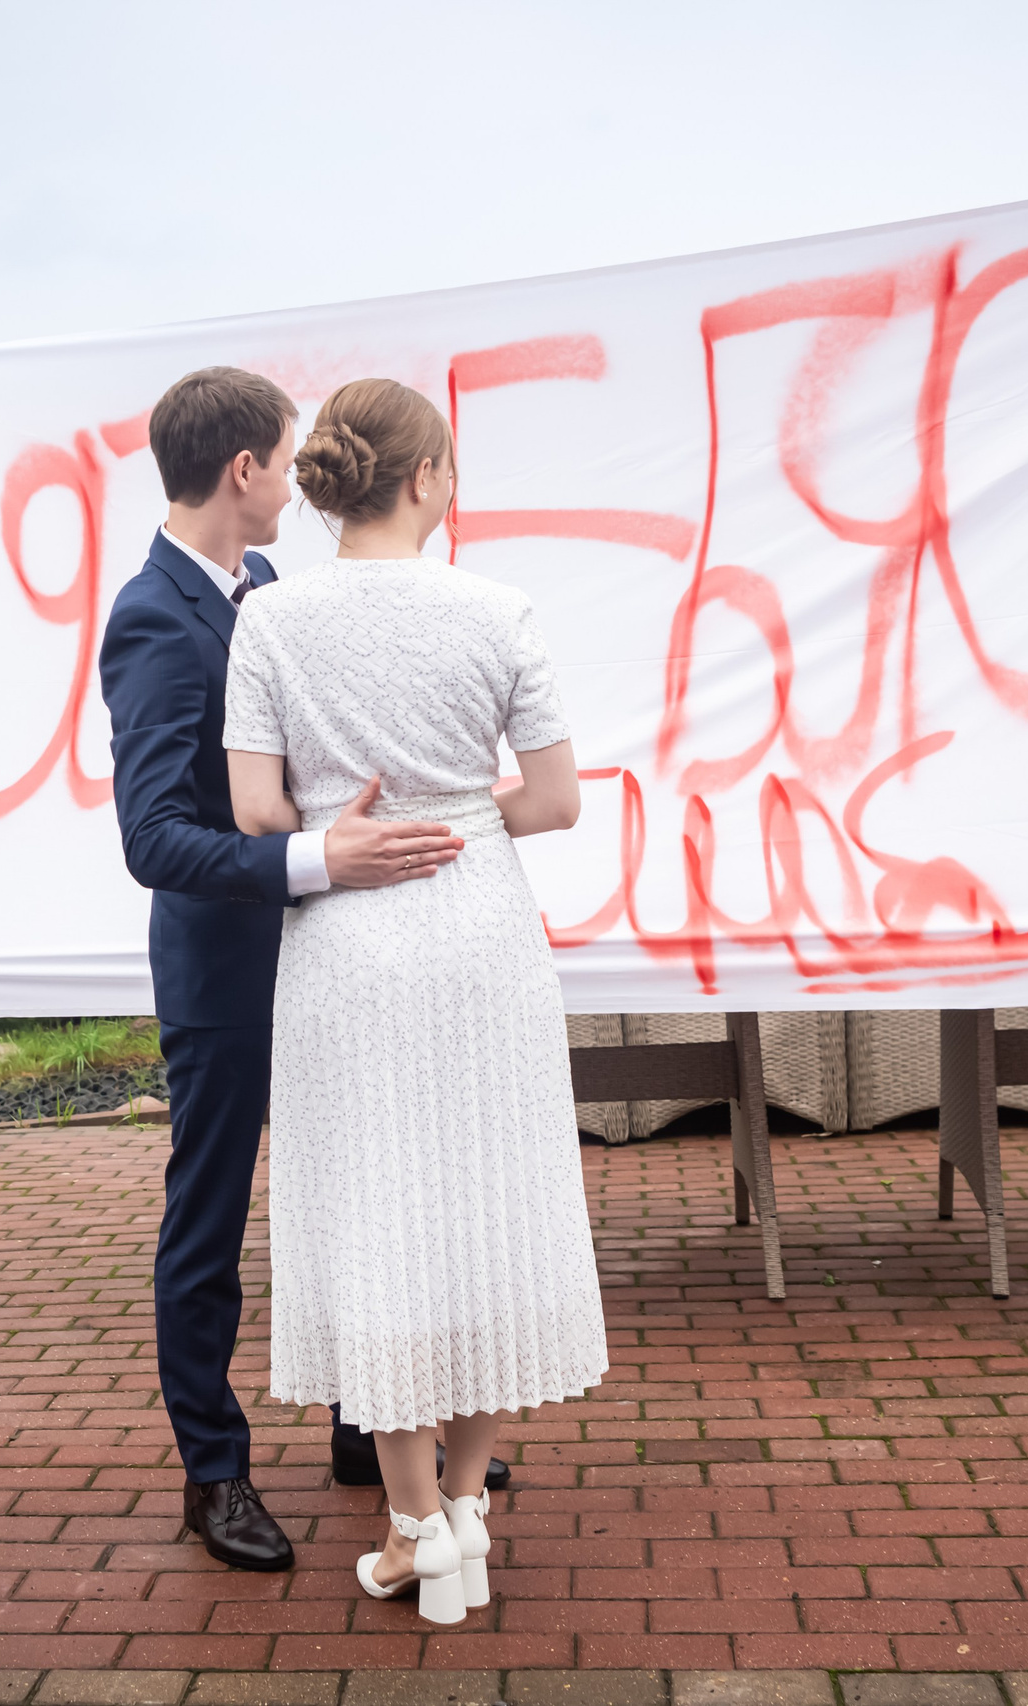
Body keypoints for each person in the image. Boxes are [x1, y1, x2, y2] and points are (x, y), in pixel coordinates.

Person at [225, 377, 610, 1625]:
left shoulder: (268, 621)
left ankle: (412, 1532)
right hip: (482, 939)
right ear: (430, 478)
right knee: (490, 1204)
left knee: (373, 1215)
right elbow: (552, 802)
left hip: (347, 945)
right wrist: (454, 818)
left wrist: (360, 828)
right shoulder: (500, 609)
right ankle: (470, 1510)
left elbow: (255, 817)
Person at [95, 367, 494, 1572]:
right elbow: (151, 837)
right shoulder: (154, 615)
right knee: (207, 1225)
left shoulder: (263, 587)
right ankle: (211, 1473)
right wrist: (321, 852)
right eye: (285, 452)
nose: (300, 471)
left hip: (330, 960)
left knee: (357, 1192)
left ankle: (367, 1431)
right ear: (243, 474)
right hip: (225, 972)